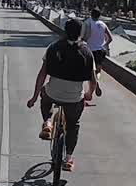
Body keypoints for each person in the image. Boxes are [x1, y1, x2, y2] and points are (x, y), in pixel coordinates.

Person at [27, 18, 96, 172]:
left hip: (53, 93)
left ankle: (48, 122)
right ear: (80, 33)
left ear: (65, 30)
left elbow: (42, 74)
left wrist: (34, 96)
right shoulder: (87, 52)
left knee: (45, 95)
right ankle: (69, 159)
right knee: (73, 126)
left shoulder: (53, 48)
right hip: (74, 99)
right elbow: (93, 79)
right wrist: (89, 94)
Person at [82, 8, 113, 97]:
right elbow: (110, 38)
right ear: (99, 15)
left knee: (90, 72)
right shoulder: (103, 25)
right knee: (98, 71)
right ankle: (96, 81)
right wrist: (104, 45)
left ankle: (90, 90)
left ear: (91, 14)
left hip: (89, 50)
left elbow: (83, 36)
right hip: (100, 50)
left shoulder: (88, 23)